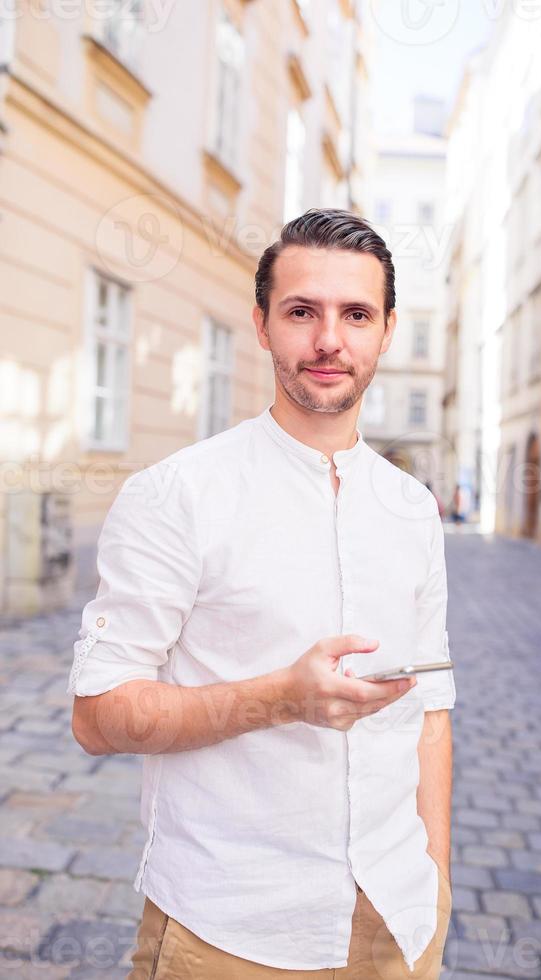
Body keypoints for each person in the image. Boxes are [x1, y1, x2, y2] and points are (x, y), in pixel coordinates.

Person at [68, 208, 456, 978]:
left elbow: (431, 711)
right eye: (301, 312)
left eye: (355, 314)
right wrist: (284, 697)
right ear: (261, 324)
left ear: (386, 331)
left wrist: (436, 881)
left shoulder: (413, 508)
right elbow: (96, 716)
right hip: (229, 929)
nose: (328, 341)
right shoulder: (177, 496)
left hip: (397, 920)